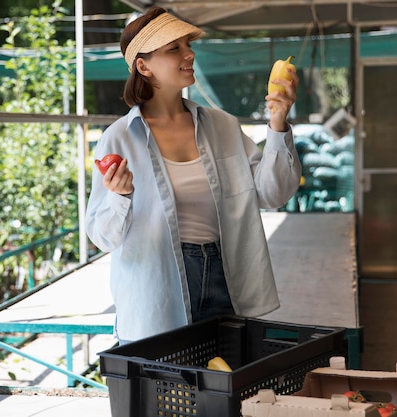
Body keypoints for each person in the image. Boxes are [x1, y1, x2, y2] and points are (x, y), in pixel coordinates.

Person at [86, 7, 301, 344]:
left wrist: (277, 123)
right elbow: (101, 236)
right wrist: (119, 196)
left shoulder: (223, 126)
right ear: (144, 66)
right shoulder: (119, 139)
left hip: (224, 273)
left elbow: (272, 193)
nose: (189, 54)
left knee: (226, 384)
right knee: (165, 391)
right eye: (174, 48)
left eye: (187, 45)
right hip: (157, 286)